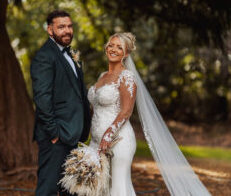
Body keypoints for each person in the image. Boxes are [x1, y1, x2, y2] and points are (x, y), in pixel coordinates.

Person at [87, 32, 211, 196]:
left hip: (118, 141)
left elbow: (126, 111)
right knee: (96, 188)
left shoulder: (127, 77)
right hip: (96, 142)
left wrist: (108, 135)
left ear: (127, 53)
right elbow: (95, 108)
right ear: (106, 48)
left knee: (117, 188)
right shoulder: (102, 76)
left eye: (119, 47)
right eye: (111, 45)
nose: (114, 49)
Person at [30, 10, 91, 196]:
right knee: (47, 189)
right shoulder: (45, 56)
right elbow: (42, 99)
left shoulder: (71, 54)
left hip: (73, 134)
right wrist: (54, 133)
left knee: (70, 190)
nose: (67, 31)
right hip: (56, 136)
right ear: (50, 30)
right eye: (61, 27)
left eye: (69, 26)